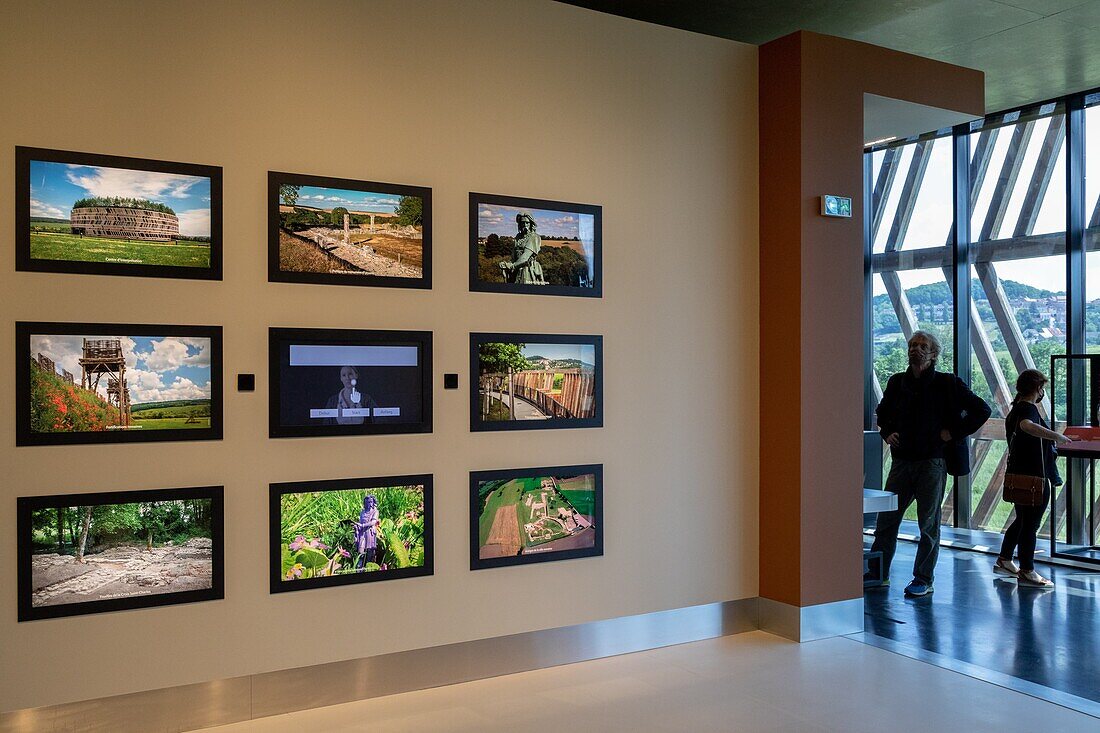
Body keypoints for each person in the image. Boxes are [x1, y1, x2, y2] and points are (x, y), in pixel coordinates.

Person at [871, 330, 991, 597]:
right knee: (887, 521)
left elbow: (982, 410)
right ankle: (879, 573)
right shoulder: (897, 382)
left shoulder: (947, 383)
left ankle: (923, 578)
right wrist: (886, 431)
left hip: (932, 462)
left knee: (928, 524)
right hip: (902, 461)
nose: (916, 349)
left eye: (922, 346)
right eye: (913, 345)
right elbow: (883, 412)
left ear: (934, 354)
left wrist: (953, 432)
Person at [995, 369, 1072, 588]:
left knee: (1022, 520)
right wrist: (1056, 436)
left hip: (1018, 474)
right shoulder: (1028, 409)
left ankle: (1005, 559)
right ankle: (1027, 570)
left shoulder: (1015, 409)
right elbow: (1027, 426)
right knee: (1031, 524)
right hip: (1034, 477)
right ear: (1038, 389)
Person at [498, 212, 547, 285]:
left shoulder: (534, 237)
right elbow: (513, 256)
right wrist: (506, 264)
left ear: (531, 224)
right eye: (522, 222)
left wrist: (512, 266)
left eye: (527, 223)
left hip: (527, 270)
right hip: (515, 270)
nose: (524, 225)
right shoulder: (518, 237)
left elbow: (525, 257)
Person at [353, 494, 381, 569]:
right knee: (361, 550)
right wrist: (357, 526)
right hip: (362, 533)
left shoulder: (375, 511)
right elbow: (360, 521)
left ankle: (368, 567)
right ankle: (359, 567)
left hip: (370, 533)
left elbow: (373, 522)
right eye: (367, 502)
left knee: (370, 551)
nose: (369, 504)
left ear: (373, 502)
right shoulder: (362, 512)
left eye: (370, 502)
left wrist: (362, 525)